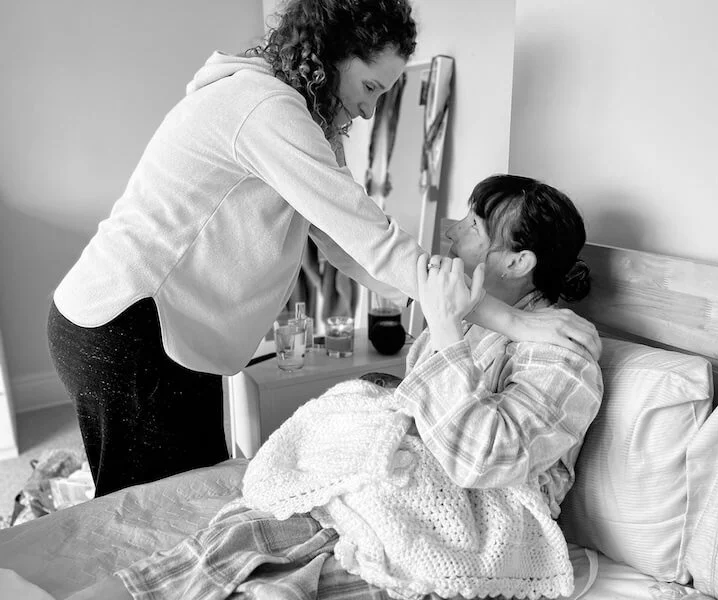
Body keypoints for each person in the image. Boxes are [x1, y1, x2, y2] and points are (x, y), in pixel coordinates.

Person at [47, 0, 601, 498]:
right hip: (131, 325)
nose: (368, 112)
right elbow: (371, 239)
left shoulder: (300, 118)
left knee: (192, 497)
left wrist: (438, 305)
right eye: (370, 89)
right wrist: (516, 322)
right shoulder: (264, 108)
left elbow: (346, 246)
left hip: (162, 330)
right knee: (151, 510)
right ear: (334, 54)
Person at [66, 174, 604, 600]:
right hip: (409, 487)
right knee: (245, 533)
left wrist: (443, 332)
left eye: (473, 226)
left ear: (517, 261)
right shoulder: (472, 318)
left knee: (296, 573)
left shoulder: (564, 352)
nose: (449, 230)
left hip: (484, 521)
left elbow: (481, 461)